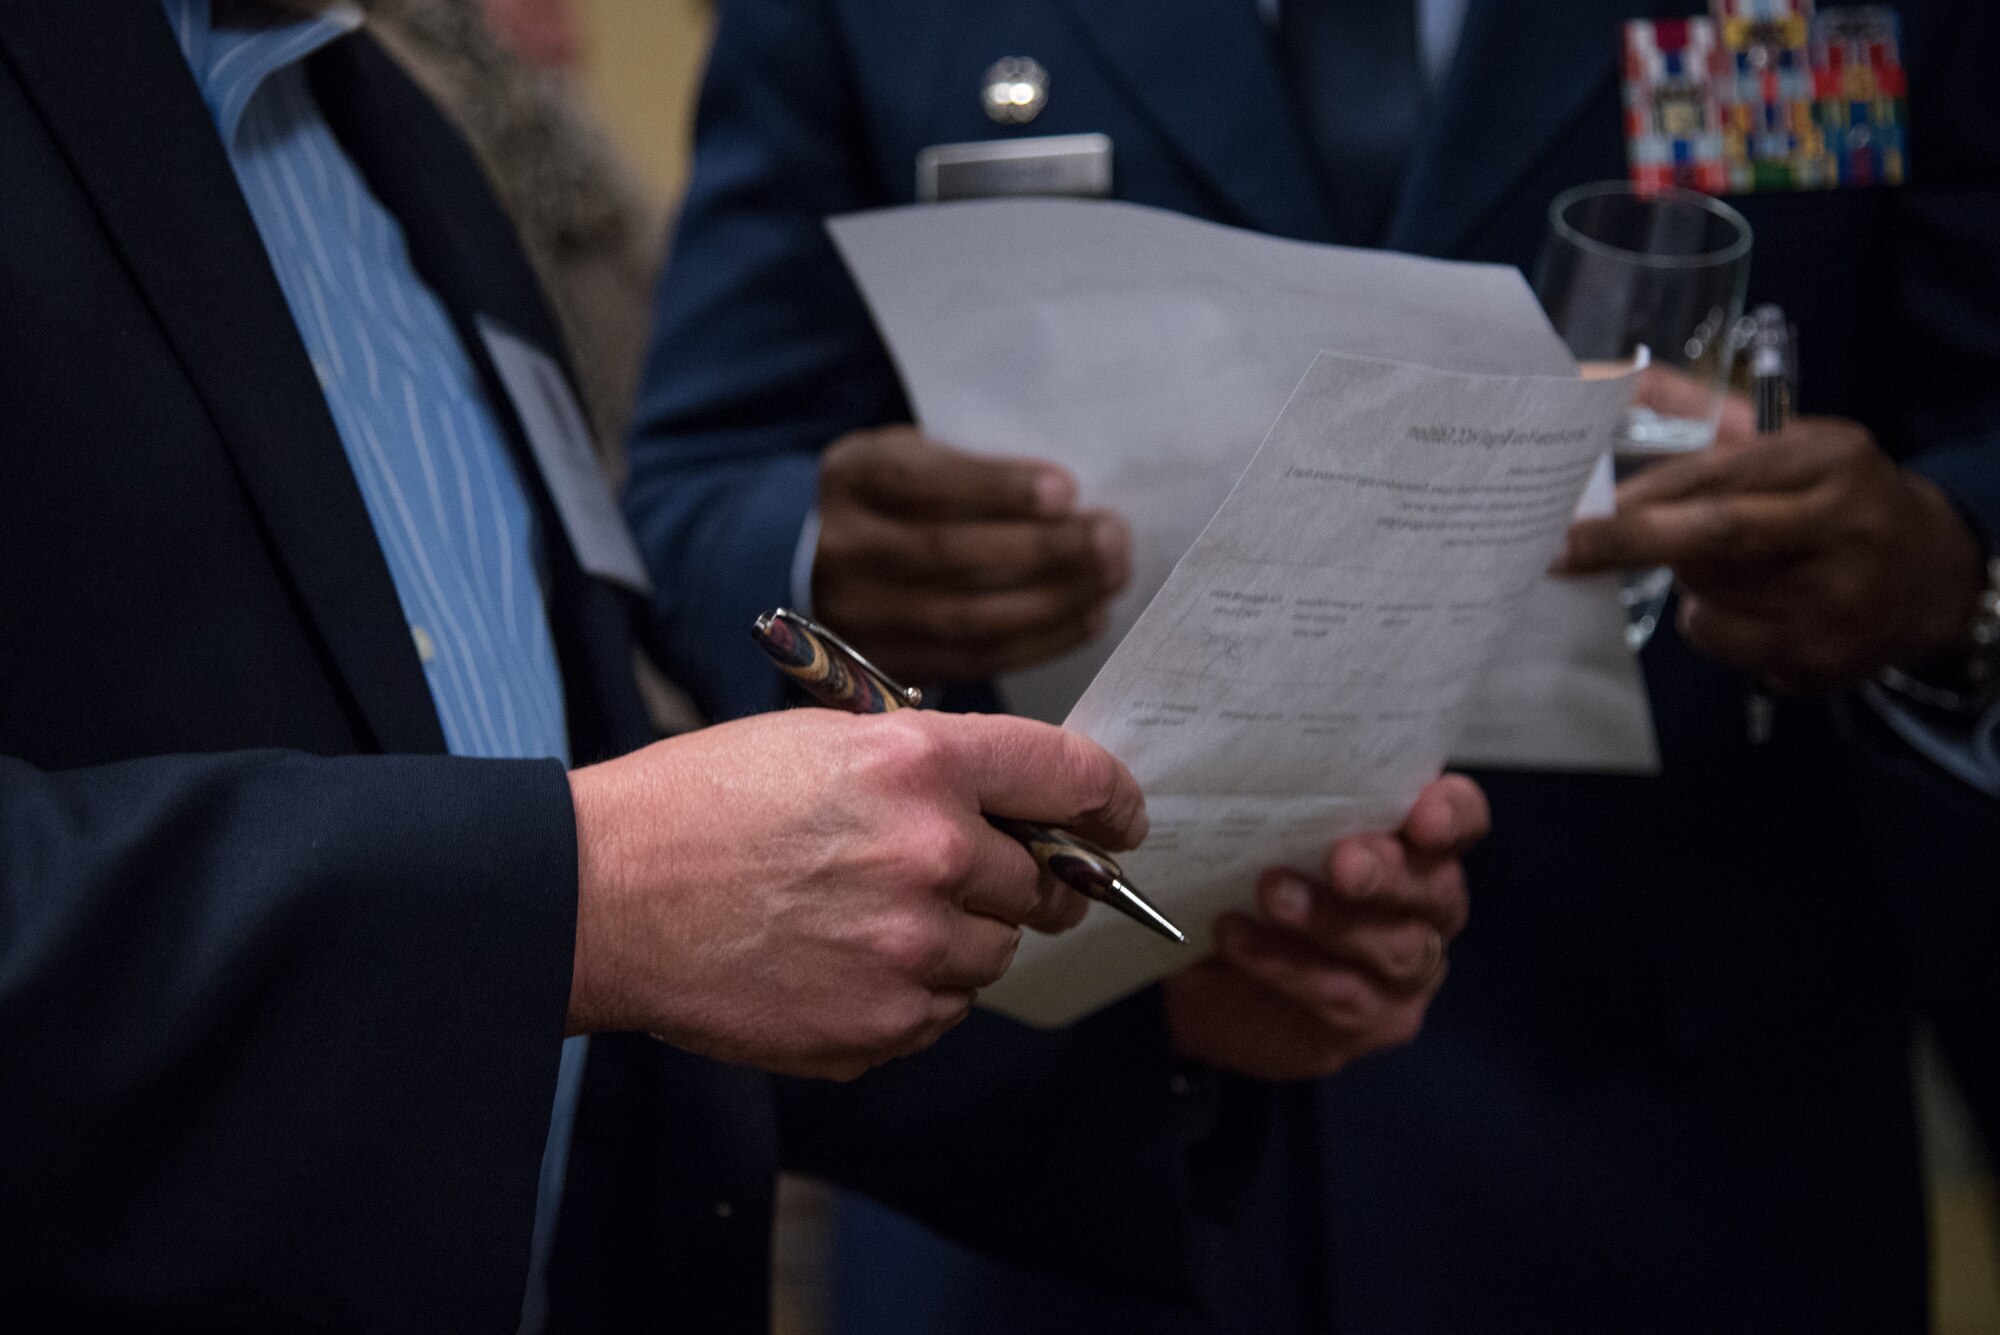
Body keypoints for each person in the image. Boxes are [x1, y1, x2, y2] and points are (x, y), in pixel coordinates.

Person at [0, 1, 1482, 1327]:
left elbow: (575, 867)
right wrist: (591, 897)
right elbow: (597, 895)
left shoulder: (393, 155)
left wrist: (1129, 1025)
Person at [623, 0, 2000, 1330]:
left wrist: (1951, 569)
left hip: (1680, 1136)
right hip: (1062, 1149)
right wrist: (822, 555)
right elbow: (691, 487)